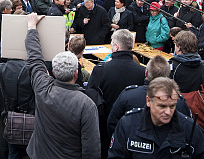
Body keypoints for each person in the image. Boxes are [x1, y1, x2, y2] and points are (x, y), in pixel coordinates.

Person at [25, 13, 101, 158]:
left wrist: (31, 27)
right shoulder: (86, 104)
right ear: (76, 74)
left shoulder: (42, 87)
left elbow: (34, 58)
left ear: (53, 71)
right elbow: (91, 150)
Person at [108, 77, 204, 158]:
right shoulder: (128, 124)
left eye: (172, 106)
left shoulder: (190, 129)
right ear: (148, 101)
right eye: (162, 106)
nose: (168, 112)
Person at [107, 55, 191, 137]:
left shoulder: (128, 95)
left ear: (146, 73)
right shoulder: (179, 101)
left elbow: (112, 123)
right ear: (168, 76)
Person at [88, 29, 146, 113]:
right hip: (131, 120)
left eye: (112, 44)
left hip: (106, 120)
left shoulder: (101, 69)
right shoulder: (143, 72)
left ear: (116, 46)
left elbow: (91, 96)